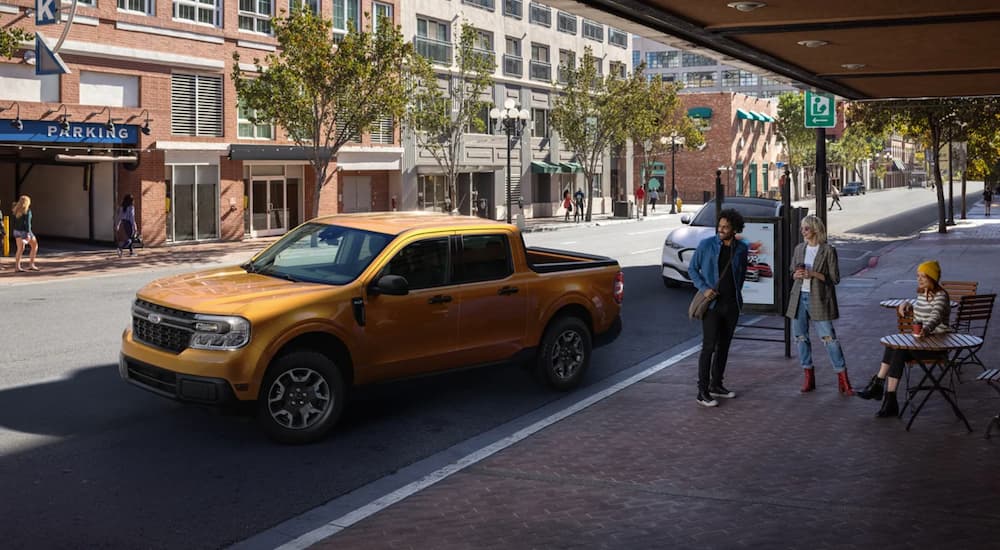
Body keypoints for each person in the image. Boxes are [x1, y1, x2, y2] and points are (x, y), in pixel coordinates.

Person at [857, 261, 951, 418]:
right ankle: (886, 397)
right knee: (894, 347)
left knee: (898, 349)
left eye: (923, 276)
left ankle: (880, 389)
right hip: (920, 344)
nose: (919, 280)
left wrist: (925, 329)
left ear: (933, 278)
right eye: (918, 276)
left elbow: (935, 316)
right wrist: (905, 303)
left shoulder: (941, 296)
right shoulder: (922, 293)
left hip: (936, 346)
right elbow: (919, 307)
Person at [786, 215, 854, 395]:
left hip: (818, 297)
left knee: (829, 338)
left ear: (815, 229)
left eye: (806, 228)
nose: (803, 231)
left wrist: (813, 274)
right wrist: (797, 275)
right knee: (800, 337)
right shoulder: (799, 249)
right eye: (802, 228)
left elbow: (834, 279)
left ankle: (843, 379)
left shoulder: (828, 250)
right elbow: (792, 271)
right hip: (798, 297)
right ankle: (808, 377)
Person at [689, 208, 749, 407]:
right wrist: (705, 289)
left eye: (725, 227)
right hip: (713, 305)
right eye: (720, 226)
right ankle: (702, 391)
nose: (721, 230)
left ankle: (717, 385)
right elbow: (692, 269)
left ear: (734, 229)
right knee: (709, 347)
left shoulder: (741, 248)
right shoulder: (706, 245)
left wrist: (736, 295)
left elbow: (741, 274)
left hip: (731, 305)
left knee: (724, 346)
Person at [12, 194, 39, 272]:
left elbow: (13, 222)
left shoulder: (15, 210)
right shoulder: (27, 211)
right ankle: (31, 264)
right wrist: (28, 233)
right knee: (35, 246)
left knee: (20, 249)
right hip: (24, 231)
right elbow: (28, 223)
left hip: (16, 231)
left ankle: (17, 267)